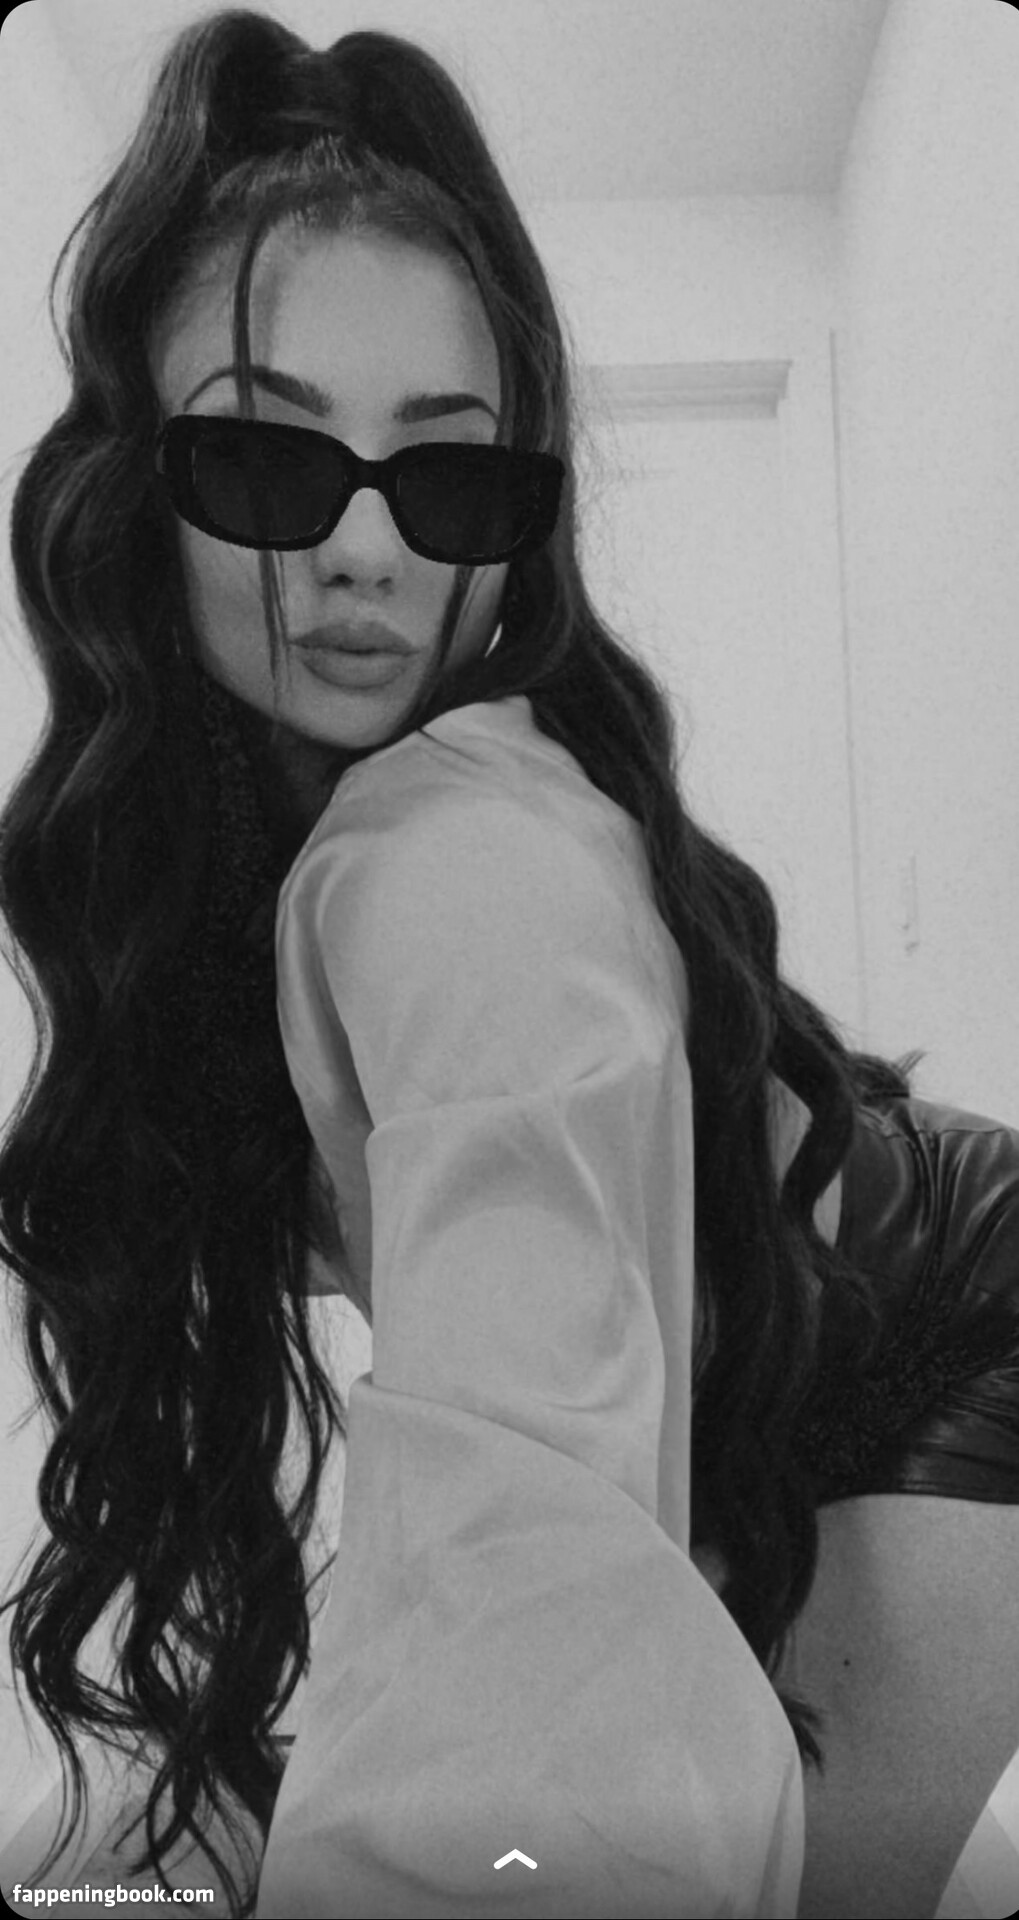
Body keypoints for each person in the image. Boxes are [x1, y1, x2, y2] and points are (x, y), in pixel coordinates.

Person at [0, 13, 1016, 1920]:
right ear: (140, 486)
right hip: (776, 1353)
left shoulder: (453, 858)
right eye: (268, 461)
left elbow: (535, 1514)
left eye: (449, 481)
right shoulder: (235, 864)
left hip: (946, 1322)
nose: (366, 551)